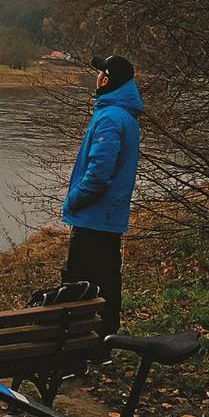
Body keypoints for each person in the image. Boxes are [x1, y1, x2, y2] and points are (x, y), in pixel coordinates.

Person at [61, 53, 143, 336]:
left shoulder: (110, 118)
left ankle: (80, 346)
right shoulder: (124, 116)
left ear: (107, 80)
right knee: (107, 281)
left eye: (100, 73)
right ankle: (105, 339)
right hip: (108, 217)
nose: (96, 78)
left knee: (80, 285)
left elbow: (99, 174)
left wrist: (73, 199)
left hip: (94, 218)